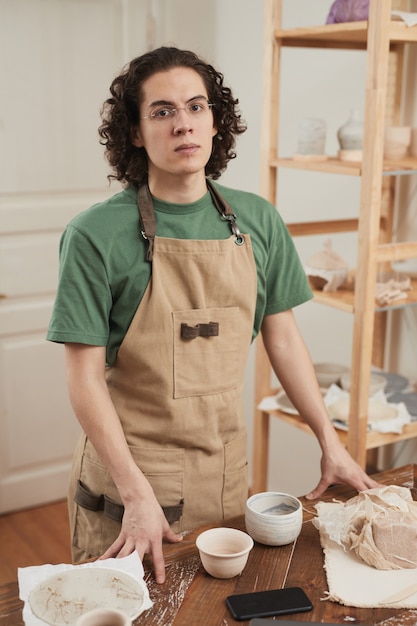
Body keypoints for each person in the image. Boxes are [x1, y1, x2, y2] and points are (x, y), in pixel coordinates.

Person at [47, 46, 379, 584]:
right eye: (162, 112)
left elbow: (285, 339)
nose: (183, 124)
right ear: (134, 132)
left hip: (224, 474)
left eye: (196, 106)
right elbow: (83, 377)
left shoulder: (258, 220)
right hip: (131, 484)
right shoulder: (94, 236)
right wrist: (135, 493)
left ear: (215, 119)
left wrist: (329, 440)